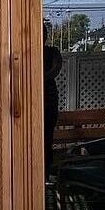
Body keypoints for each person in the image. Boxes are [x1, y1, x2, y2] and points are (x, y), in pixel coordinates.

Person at [43, 44, 63, 177]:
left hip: (49, 97)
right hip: (36, 96)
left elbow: (56, 68)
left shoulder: (52, 51)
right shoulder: (31, 51)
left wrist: (41, 77)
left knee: (48, 136)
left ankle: (46, 168)